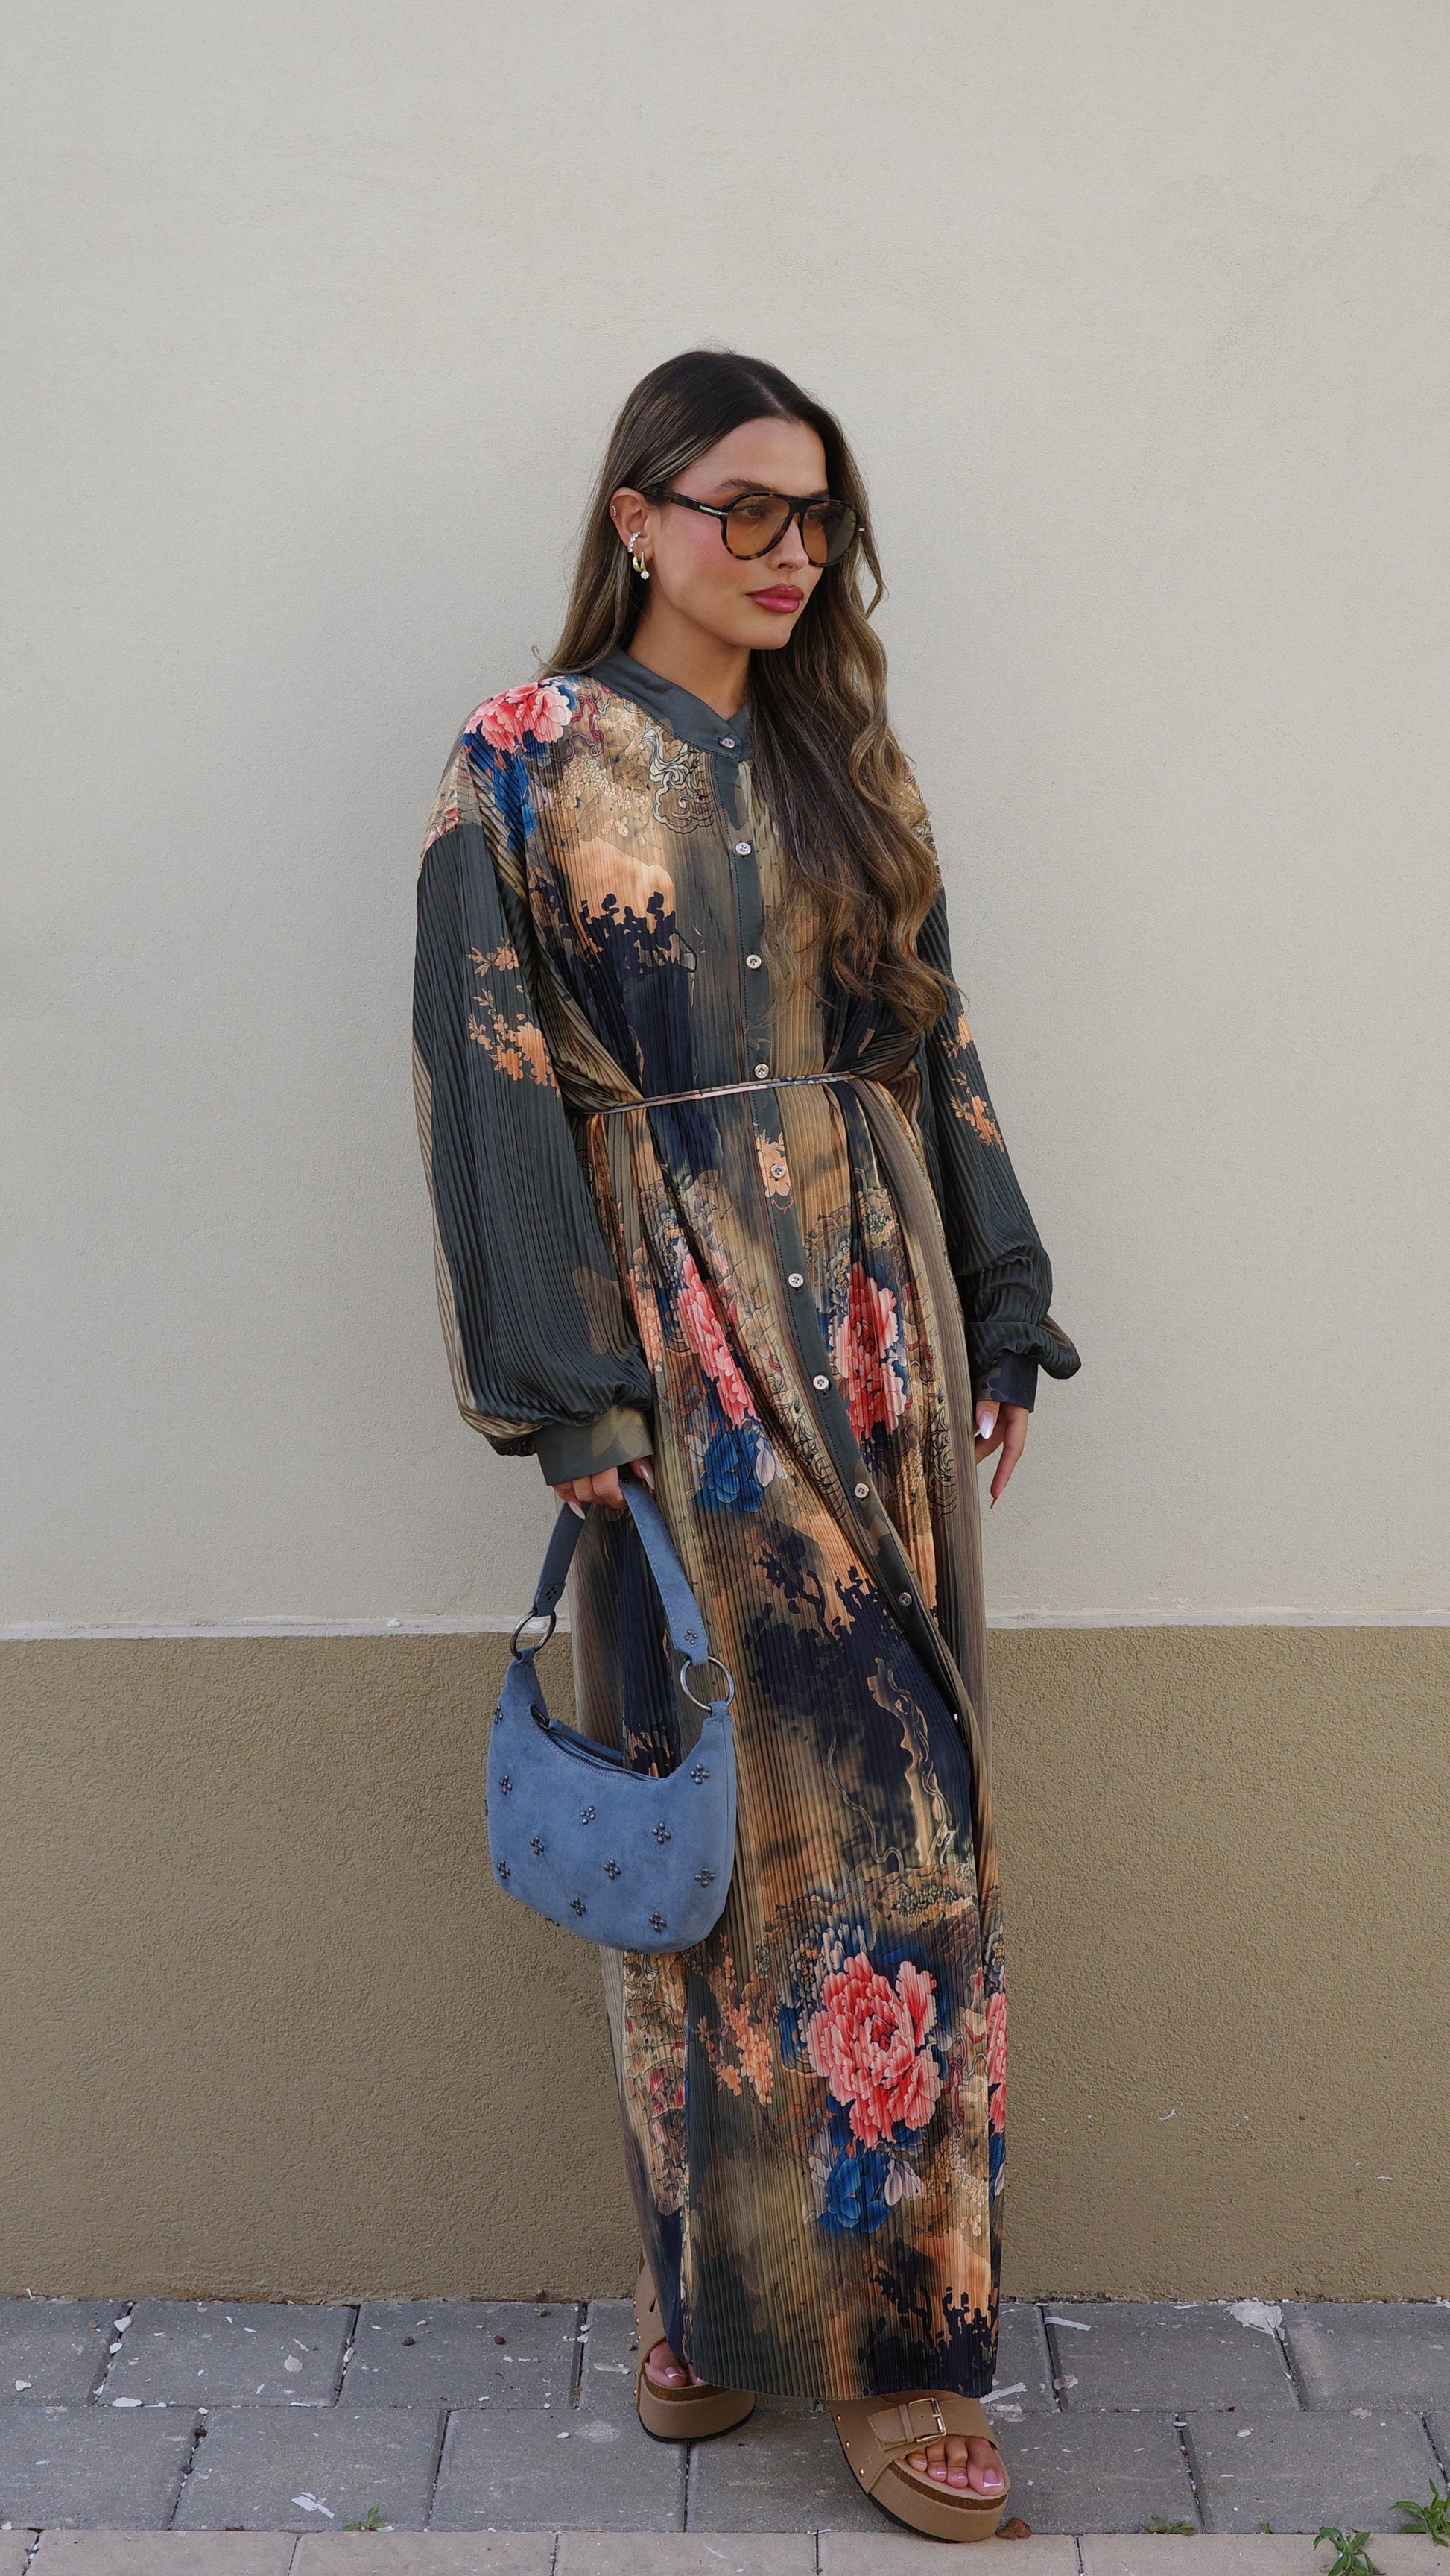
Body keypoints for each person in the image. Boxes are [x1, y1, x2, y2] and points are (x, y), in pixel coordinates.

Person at [412, 349, 1078, 2542]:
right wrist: (566, 1392)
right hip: (675, 1345)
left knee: (896, 1842)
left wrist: (999, 1293)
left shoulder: (842, 760)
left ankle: (903, 2355)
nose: (793, 557)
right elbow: (489, 1076)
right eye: (748, 512)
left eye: (819, 521)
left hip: (875, 1342)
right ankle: (704, 2295)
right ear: (638, 518)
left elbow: (934, 1042)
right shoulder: (521, 762)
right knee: (712, 1843)